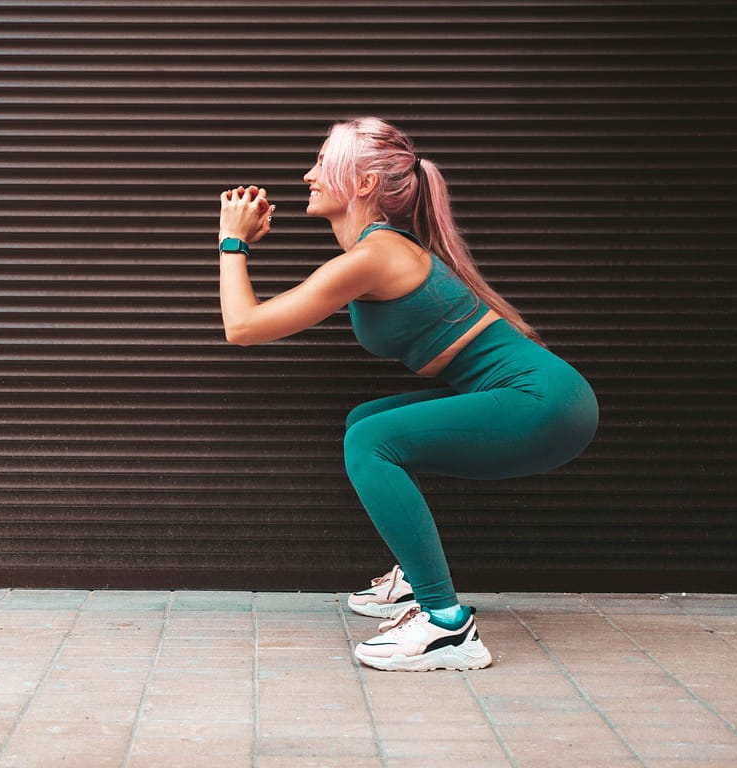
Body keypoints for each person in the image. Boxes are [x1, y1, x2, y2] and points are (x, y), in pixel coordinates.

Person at [218, 117, 599, 672]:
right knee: (366, 420)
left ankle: (448, 625)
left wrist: (233, 239)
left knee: (373, 440)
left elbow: (243, 326)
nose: (308, 175)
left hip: (545, 404)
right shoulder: (379, 251)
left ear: (365, 184)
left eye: (322, 162)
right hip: (548, 401)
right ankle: (412, 580)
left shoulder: (376, 256)